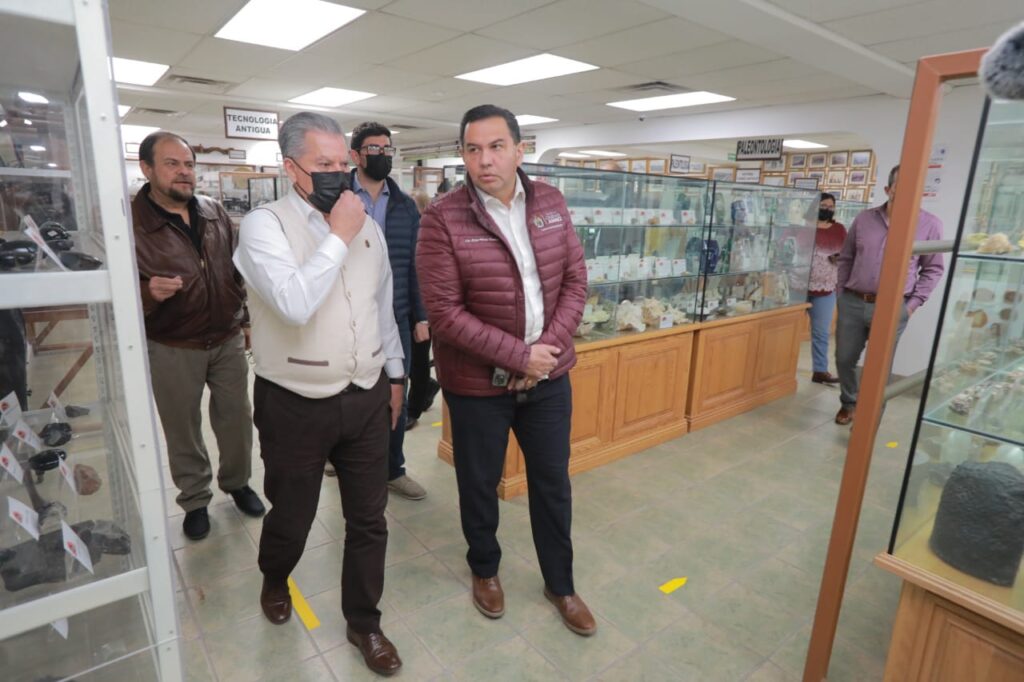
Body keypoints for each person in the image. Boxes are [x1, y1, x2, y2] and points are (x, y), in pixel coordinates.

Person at [233, 112, 404, 676]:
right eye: (322, 164)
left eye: (341, 162)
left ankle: (365, 622)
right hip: (294, 401)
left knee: (370, 519)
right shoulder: (264, 227)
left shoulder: (368, 227)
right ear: (291, 168)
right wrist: (338, 235)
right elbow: (293, 303)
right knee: (294, 514)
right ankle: (275, 577)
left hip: (366, 395)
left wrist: (394, 375)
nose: (338, 173)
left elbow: (382, 308)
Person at [417, 104, 596, 636]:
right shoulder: (442, 218)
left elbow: (575, 281)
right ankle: (485, 569)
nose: (485, 160)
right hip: (478, 385)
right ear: (462, 155)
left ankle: (560, 584)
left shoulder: (550, 202)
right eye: (473, 149)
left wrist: (546, 352)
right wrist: (520, 356)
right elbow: (445, 314)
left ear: (520, 150)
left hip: (549, 378)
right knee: (478, 484)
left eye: (496, 147)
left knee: (552, 484)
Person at [132, 131, 264, 541]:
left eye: (188, 164)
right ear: (147, 168)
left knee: (237, 418)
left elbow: (236, 272)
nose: (184, 172)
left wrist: (244, 321)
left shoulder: (214, 211)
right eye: (172, 164)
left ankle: (238, 483)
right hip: (172, 343)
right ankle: (194, 500)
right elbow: (115, 289)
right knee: (182, 427)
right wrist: (146, 292)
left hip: (225, 337)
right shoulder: (131, 223)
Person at [344, 121, 428, 500]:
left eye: (387, 149)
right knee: (349, 393)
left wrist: (421, 315)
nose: (382, 155)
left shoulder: (405, 206)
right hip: (348, 317)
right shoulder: (338, 197)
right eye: (374, 149)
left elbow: (415, 265)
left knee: (397, 392)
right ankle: (344, 460)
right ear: (356, 155)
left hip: (397, 315)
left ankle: (393, 469)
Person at [834, 165, 944, 425]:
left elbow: (933, 269)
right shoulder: (864, 219)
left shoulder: (930, 224)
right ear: (888, 189)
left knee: (879, 369)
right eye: (900, 187)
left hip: (894, 307)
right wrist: (841, 293)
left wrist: (911, 305)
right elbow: (847, 257)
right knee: (844, 358)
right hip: (853, 301)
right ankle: (849, 402)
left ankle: (868, 422)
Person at [405, 189, 441, 430]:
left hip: (422, 309)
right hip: (406, 306)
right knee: (410, 362)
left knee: (417, 363)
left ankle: (413, 409)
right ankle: (427, 387)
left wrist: (423, 317)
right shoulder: (408, 230)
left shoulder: (425, 233)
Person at [807, 192, 847, 385]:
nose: (827, 209)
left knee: (821, 332)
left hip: (826, 288)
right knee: (785, 332)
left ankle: (820, 371)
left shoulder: (839, 229)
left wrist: (839, 258)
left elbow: (847, 254)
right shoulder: (803, 228)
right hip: (797, 287)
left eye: (831, 207)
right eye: (824, 205)